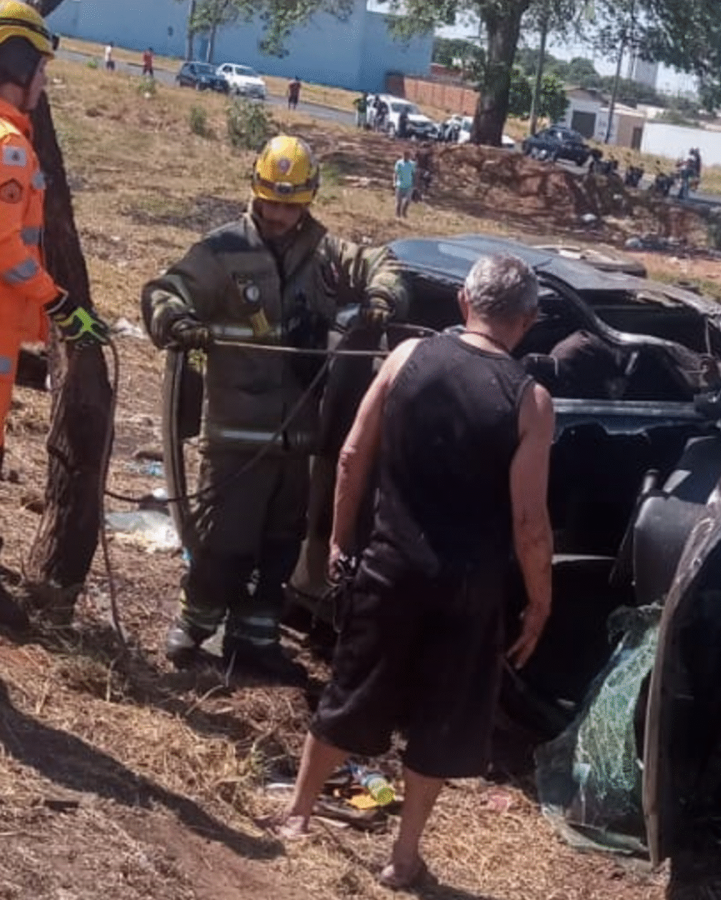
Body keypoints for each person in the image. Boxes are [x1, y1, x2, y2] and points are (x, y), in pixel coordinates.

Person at [266, 253, 554, 890]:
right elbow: (530, 520)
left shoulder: (403, 360)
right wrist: (539, 600)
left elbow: (348, 458)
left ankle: (297, 817)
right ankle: (402, 858)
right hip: (469, 588)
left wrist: (342, 545)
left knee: (350, 688)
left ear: (462, 304)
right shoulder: (531, 402)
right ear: (527, 322)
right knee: (442, 718)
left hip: (390, 567)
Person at [141, 135, 408, 684]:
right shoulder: (221, 251)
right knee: (223, 542)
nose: (280, 214)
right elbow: (164, 291)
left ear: (308, 199)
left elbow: (382, 263)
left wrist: (383, 297)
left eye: (291, 204)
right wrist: (176, 323)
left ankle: (253, 641)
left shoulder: (325, 254)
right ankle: (192, 629)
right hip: (237, 435)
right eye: (270, 201)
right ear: (255, 192)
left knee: (279, 543)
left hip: (298, 441)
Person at [0, 2, 109, 611]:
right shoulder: (11, 147)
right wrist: (61, 303)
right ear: (17, 67)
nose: (44, 82)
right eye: (40, 68)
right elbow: (7, 249)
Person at [393, 147, 415, 219]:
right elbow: (396, 173)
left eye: (408, 155)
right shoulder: (399, 163)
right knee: (398, 202)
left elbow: (414, 174)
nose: (407, 157)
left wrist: (415, 184)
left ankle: (404, 213)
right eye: (405, 155)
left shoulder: (412, 164)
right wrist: (394, 182)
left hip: (409, 185)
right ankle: (397, 215)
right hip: (400, 184)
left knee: (407, 201)